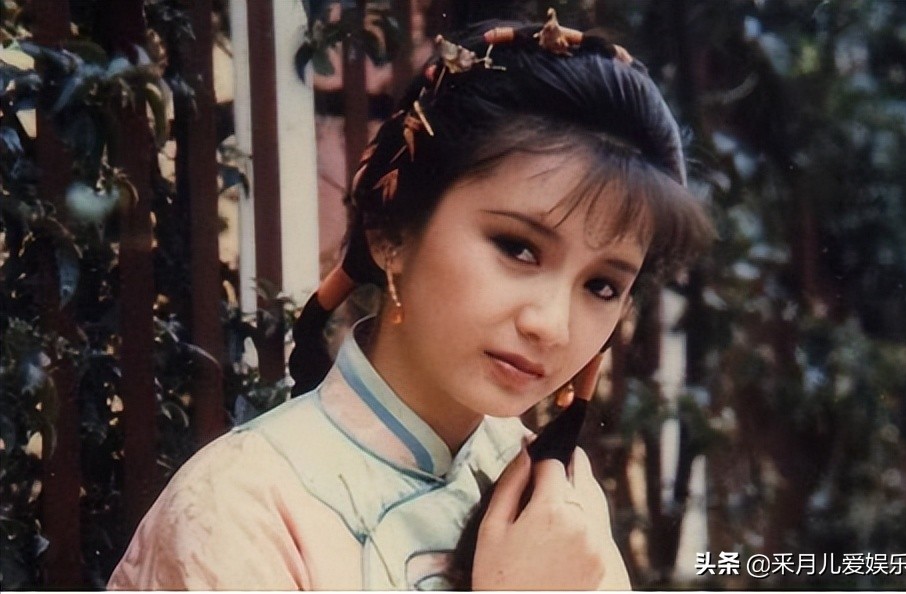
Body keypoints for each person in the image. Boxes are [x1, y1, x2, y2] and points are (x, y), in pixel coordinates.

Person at [108, 11, 713, 591]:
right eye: (518, 248)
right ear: (390, 232)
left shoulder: (559, 503)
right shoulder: (237, 508)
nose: (551, 325)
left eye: (603, 285)